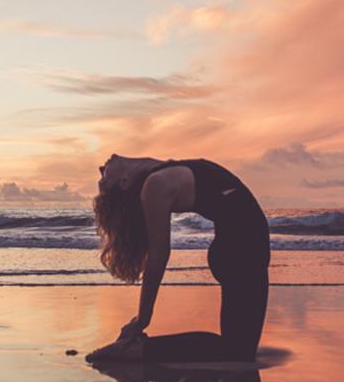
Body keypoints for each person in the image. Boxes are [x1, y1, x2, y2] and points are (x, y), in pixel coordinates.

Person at [86, 154, 271, 362]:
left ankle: (138, 351)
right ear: (124, 182)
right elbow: (159, 255)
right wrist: (142, 319)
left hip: (239, 248)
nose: (102, 169)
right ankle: (136, 351)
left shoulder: (158, 172)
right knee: (237, 353)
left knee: (237, 351)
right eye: (104, 177)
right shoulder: (156, 185)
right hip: (242, 250)